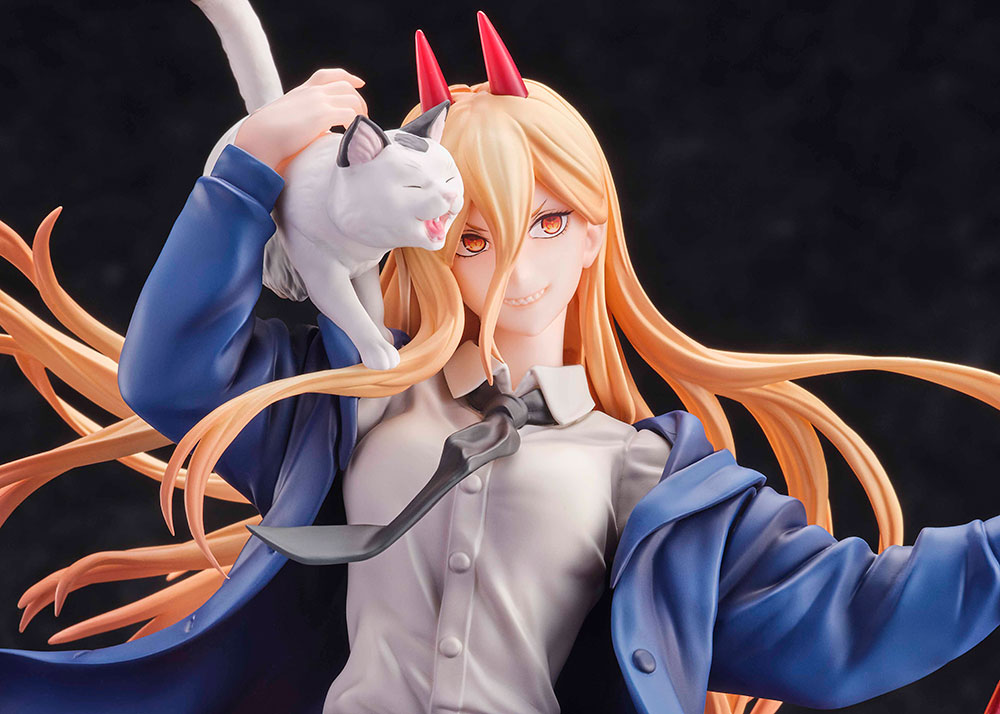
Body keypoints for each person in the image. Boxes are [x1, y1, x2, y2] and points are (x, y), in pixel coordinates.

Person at [2, 12, 1000, 714]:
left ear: (594, 229)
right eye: (475, 236)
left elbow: (845, 623)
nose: (516, 264)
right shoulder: (350, 407)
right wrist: (247, 168)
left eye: (548, 222)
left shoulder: (647, 475)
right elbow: (172, 375)